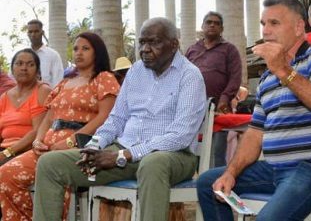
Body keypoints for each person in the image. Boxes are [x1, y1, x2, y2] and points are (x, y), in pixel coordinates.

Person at [32, 18, 207, 221]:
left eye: (154, 43)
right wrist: (95, 146)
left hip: (173, 155)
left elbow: (180, 136)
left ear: (174, 44)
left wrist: (123, 155)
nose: (145, 49)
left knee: (153, 163)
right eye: (142, 42)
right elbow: (116, 120)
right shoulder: (135, 71)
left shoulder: (190, 76)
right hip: (124, 151)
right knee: (49, 164)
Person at [198, 0, 311, 221]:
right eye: (263, 24)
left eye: (274, 23)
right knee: (209, 182)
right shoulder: (268, 77)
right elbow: (255, 133)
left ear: (299, 27)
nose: (266, 31)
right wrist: (230, 173)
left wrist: (283, 71)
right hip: (276, 170)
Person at [0, 32, 119, 221]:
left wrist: (70, 142)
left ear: (98, 53)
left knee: (55, 180)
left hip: (78, 147)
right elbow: (48, 117)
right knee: (5, 174)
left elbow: (105, 117)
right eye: (76, 48)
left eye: (86, 48)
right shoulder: (65, 83)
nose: (79, 53)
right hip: (47, 145)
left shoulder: (104, 79)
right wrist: (38, 140)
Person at [185, 11, 242, 167]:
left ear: (222, 28)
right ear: (202, 26)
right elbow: (182, 76)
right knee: (191, 148)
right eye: (209, 22)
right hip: (192, 108)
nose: (212, 25)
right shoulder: (192, 50)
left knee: (217, 150)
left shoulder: (229, 50)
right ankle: (193, 183)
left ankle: (217, 184)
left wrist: (224, 99)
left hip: (218, 108)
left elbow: (235, 78)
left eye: (217, 23)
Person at [0, 49, 51, 166]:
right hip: (4, 151)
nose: (24, 68)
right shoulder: (5, 97)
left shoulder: (42, 91)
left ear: (38, 71)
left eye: (30, 64)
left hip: (27, 151)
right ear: (12, 69)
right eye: (19, 63)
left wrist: (8, 152)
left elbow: (38, 131)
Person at [27, 19, 64, 88]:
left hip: (47, 96)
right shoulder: (22, 55)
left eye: (36, 31)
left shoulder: (53, 55)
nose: (33, 34)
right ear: (27, 34)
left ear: (42, 32)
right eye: (30, 32)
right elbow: (13, 78)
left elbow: (58, 82)